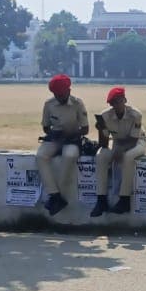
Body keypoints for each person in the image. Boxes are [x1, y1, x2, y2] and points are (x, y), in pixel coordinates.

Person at [90, 86, 146, 217]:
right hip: (117, 141)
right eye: (113, 103)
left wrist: (119, 150)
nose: (116, 105)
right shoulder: (106, 115)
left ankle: (124, 200)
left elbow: (133, 140)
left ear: (125, 100)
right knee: (101, 155)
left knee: (128, 157)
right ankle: (101, 200)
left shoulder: (135, 114)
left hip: (138, 140)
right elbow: (104, 144)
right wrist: (101, 129)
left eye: (119, 101)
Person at [36, 74, 88, 216]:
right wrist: (54, 134)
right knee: (41, 156)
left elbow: (85, 129)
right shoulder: (49, 104)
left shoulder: (78, 103)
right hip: (55, 138)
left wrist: (70, 133)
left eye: (61, 94)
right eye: (56, 95)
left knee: (69, 155)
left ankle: (59, 194)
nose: (59, 97)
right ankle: (55, 195)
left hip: (73, 138)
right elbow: (46, 127)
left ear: (69, 91)